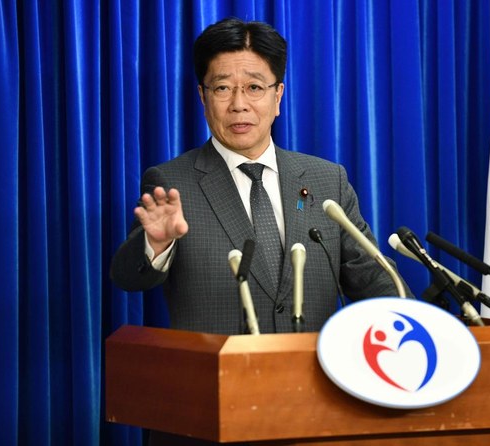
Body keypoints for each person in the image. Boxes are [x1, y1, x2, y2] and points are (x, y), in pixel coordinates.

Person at [110, 17, 411, 337]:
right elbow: (128, 278)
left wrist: (417, 327)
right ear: (203, 96)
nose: (239, 105)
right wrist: (155, 244)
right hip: (220, 380)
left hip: (313, 378)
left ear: (278, 96)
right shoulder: (172, 183)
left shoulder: (327, 181)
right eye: (223, 88)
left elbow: (374, 283)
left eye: (254, 87)